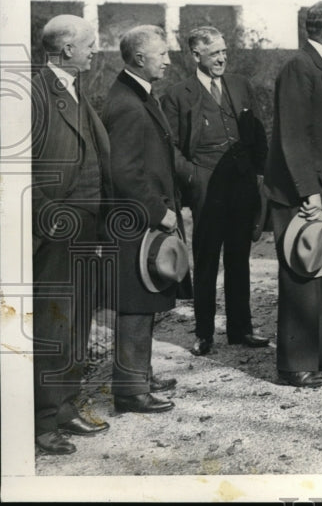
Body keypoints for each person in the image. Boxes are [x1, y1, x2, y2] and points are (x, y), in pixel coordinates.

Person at [264, 0, 322, 388]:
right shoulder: (299, 68)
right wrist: (309, 191)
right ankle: (294, 365)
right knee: (301, 275)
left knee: (321, 268)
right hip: (302, 192)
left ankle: (317, 354)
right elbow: (294, 136)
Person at [161, 27, 269, 357]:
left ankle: (241, 328)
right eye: (214, 53)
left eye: (224, 51)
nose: (222, 58)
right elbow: (171, 148)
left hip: (241, 184)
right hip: (206, 186)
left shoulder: (240, 85)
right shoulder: (179, 95)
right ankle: (204, 332)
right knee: (207, 261)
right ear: (196, 56)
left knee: (239, 260)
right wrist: (193, 177)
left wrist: (260, 174)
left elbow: (259, 131)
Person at [31, 16, 112, 455]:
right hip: (56, 230)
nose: (95, 51)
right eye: (89, 45)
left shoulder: (76, 88)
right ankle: (43, 421)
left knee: (78, 320)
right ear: (65, 49)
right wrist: (49, 215)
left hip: (88, 225)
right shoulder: (34, 93)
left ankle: (64, 407)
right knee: (52, 322)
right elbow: (18, 166)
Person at [102, 25, 191, 414]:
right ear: (140, 58)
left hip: (143, 220)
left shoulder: (136, 94)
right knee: (136, 305)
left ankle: (141, 376)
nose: (169, 61)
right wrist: (160, 212)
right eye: (162, 54)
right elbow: (125, 173)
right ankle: (131, 391)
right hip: (137, 222)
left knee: (147, 299)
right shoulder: (127, 104)